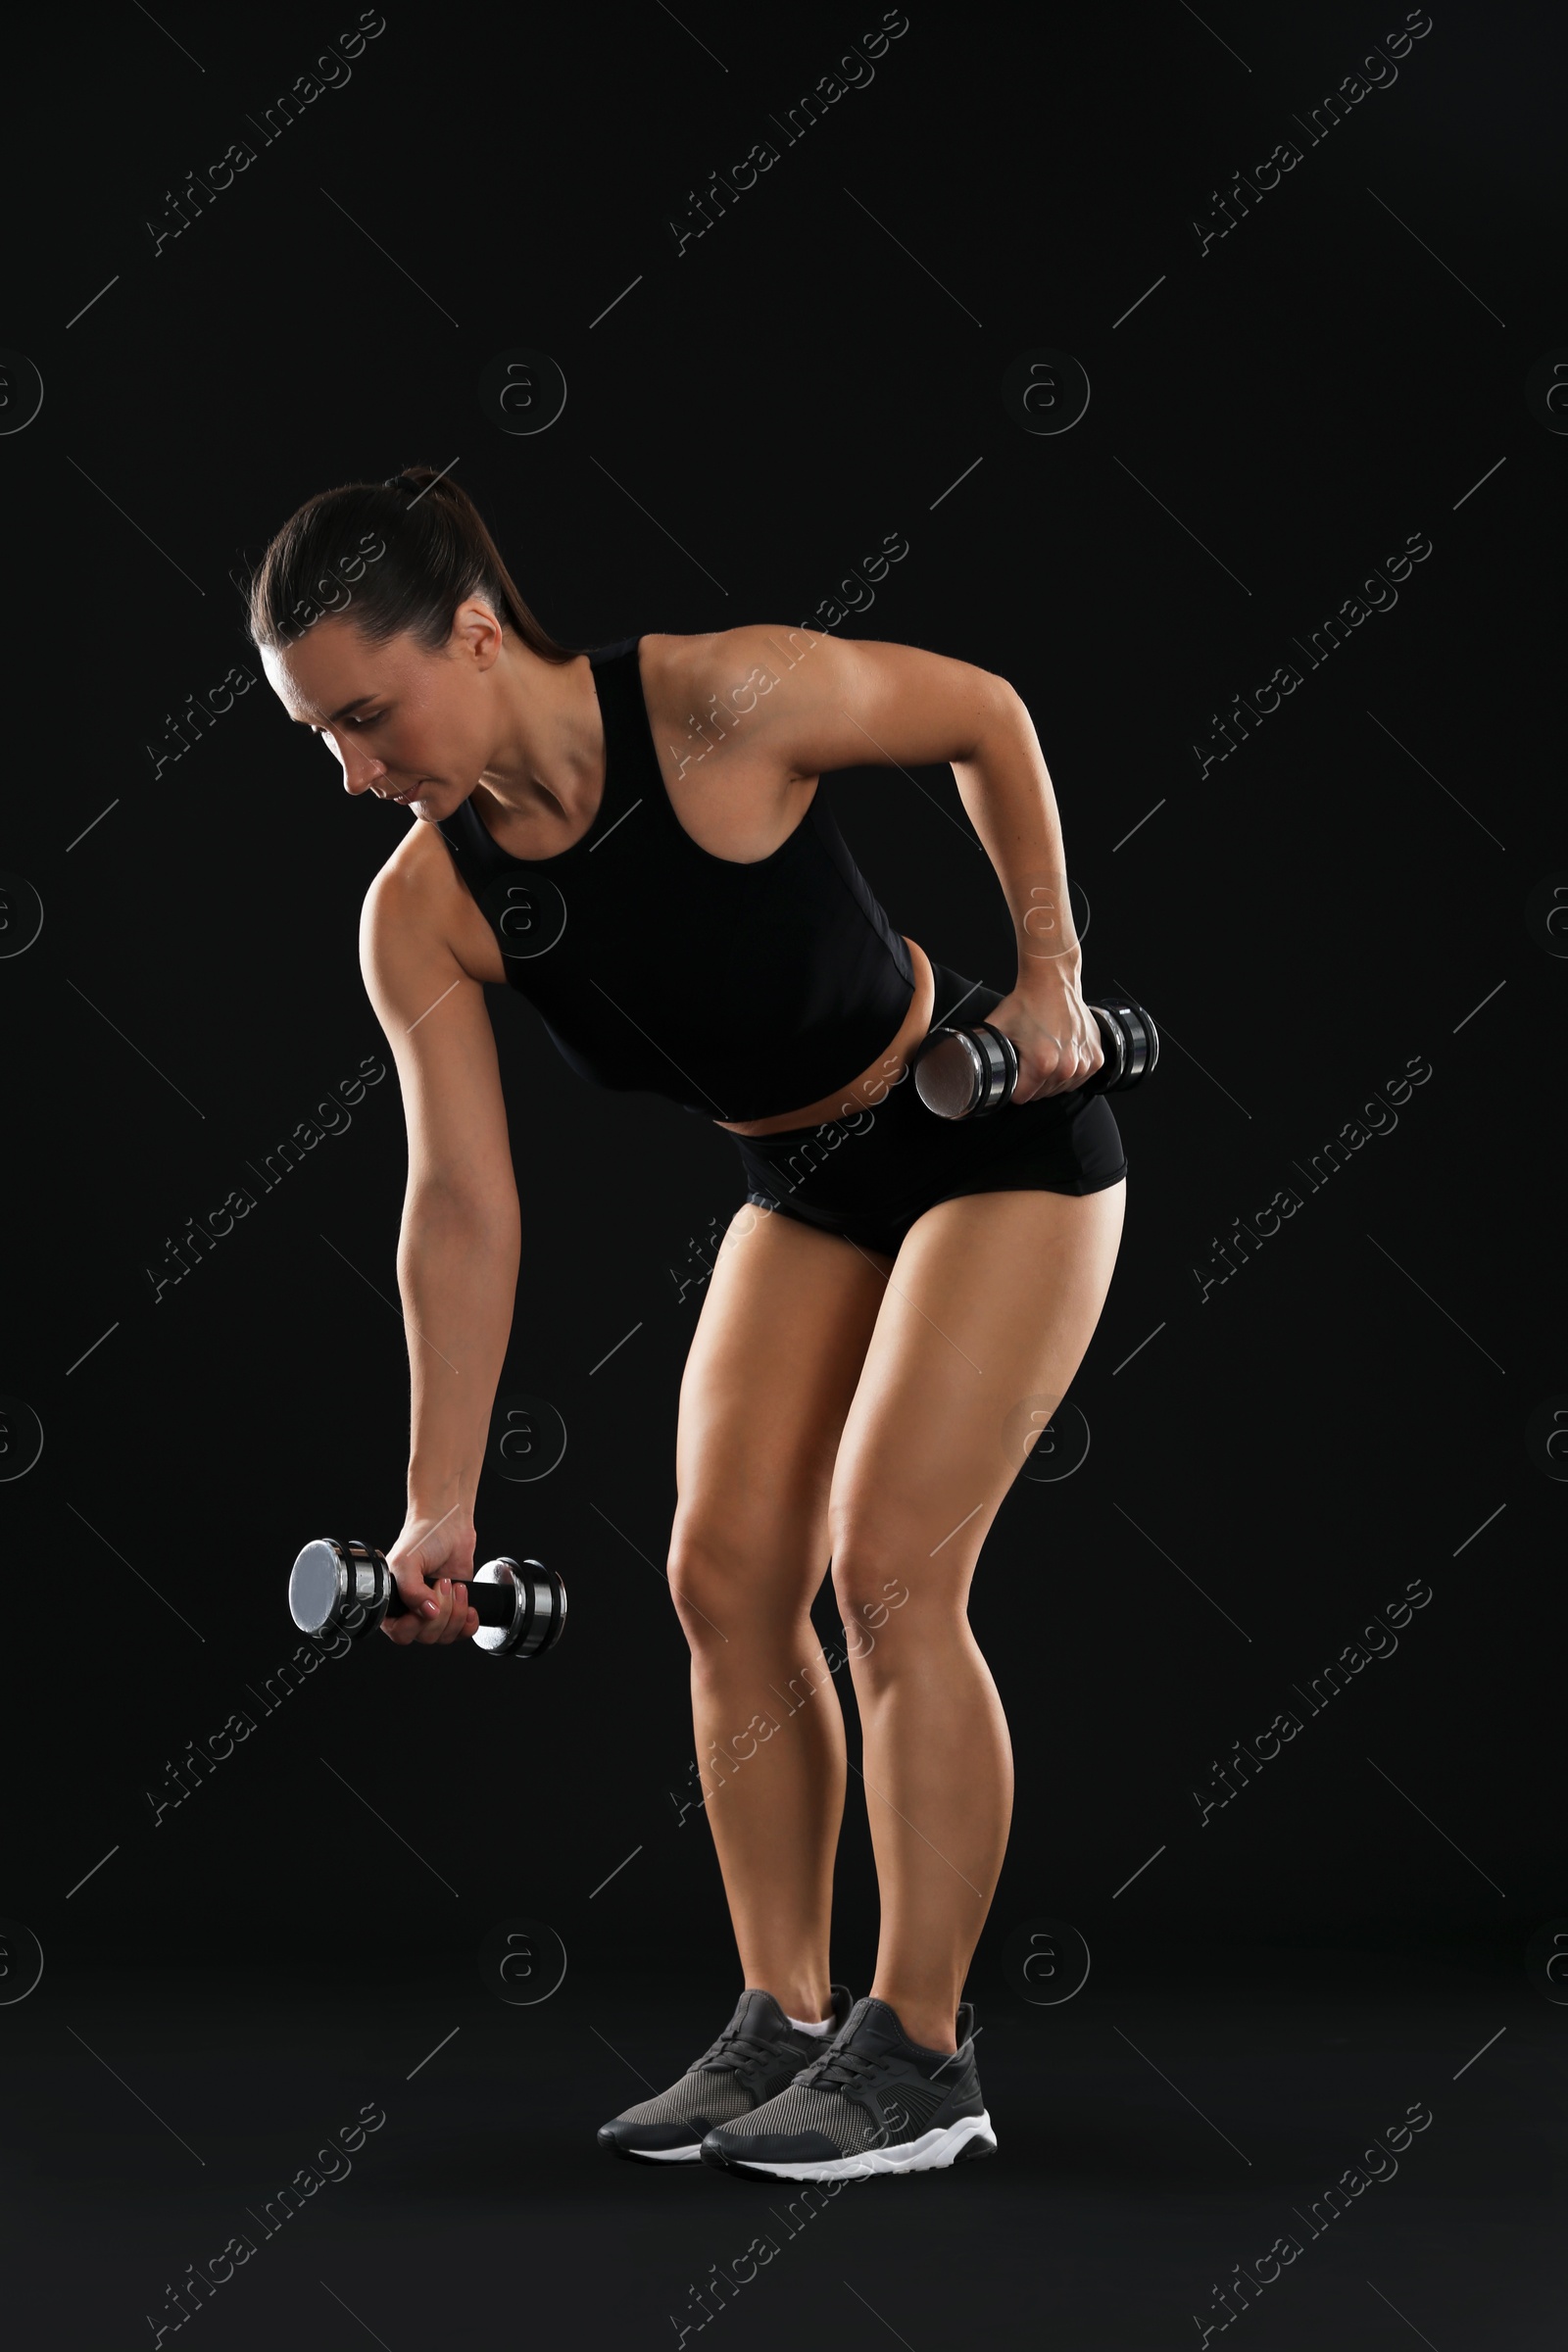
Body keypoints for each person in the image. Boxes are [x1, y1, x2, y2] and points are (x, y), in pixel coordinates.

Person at [250, 465, 1129, 2182]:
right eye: (317, 737)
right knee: (722, 1574)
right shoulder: (426, 907)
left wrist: (1052, 979)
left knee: (887, 1567)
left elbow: (985, 715)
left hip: (990, 1135)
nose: (352, 768)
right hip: (804, 1179)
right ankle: (781, 2026)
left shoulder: (724, 699)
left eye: (364, 714)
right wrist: (440, 1503)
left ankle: (925, 2057)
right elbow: (462, 1203)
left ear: (478, 634)